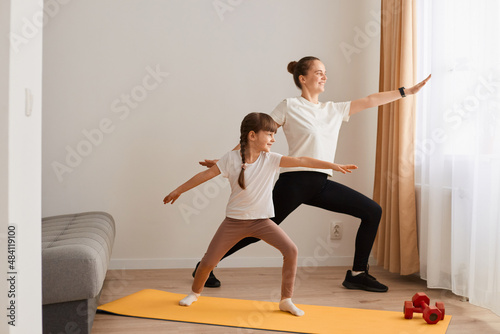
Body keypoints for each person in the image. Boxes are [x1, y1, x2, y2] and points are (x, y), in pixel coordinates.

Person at [196, 56, 431, 292]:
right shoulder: (289, 105)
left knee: (372, 211)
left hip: (321, 183)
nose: (324, 77)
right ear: (303, 78)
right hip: (294, 182)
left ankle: (358, 274)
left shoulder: (334, 110)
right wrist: (228, 159)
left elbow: (370, 100)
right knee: (256, 231)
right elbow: (258, 133)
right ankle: (206, 265)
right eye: (319, 72)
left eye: (325, 72)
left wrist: (406, 91)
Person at [164, 112, 357, 316]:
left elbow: (302, 160)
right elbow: (205, 175)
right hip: (234, 223)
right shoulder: (230, 159)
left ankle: (286, 300)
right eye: (270, 134)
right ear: (252, 135)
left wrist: (332, 166)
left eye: (274, 135)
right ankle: (195, 293)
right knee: (208, 262)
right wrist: (178, 190)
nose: (274, 139)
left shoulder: (271, 159)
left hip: (262, 222)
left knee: (291, 250)